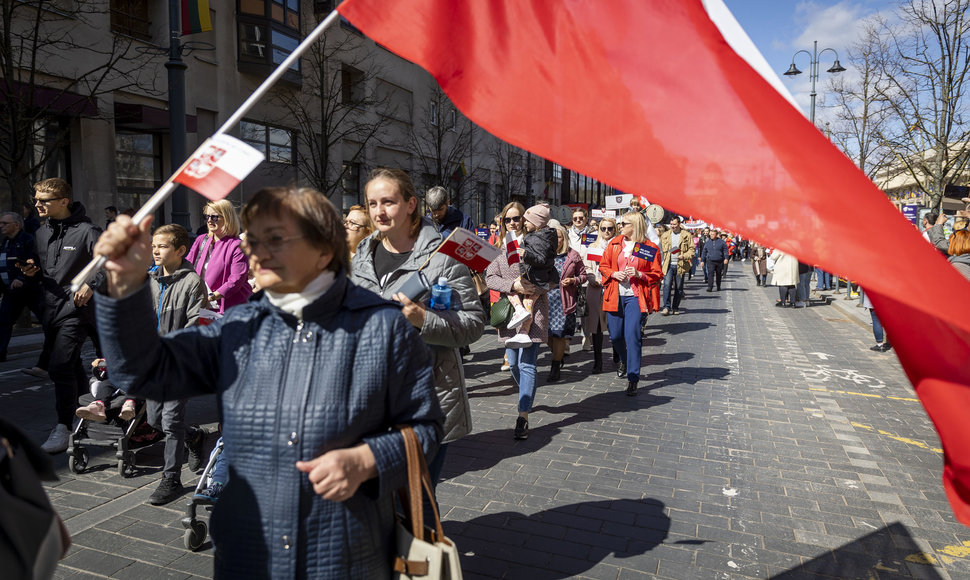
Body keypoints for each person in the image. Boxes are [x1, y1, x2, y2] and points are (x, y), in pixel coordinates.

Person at [92, 185, 443, 577]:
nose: (257, 253)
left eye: (275, 240)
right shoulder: (238, 327)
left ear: (325, 250)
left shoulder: (384, 327)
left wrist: (368, 460)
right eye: (253, 241)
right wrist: (125, 289)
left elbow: (425, 430)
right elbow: (144, 372)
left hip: (342, 551)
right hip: (248, 549)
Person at [351, 168, 483, 488]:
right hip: (369, 400)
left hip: (424, 401)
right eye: (372, 203)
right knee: (377, 505)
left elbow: (473, 324)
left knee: (417, 502)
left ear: (411, 204)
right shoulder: (361, 257)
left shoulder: (442, 258)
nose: (379, 211)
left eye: (388, 202)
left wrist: (424, 319)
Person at [19, 178, 104, 453]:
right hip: (50, 308)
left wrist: (91, 285)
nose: (37, 204)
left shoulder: (88, 231)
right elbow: (42, 272)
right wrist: (31, 272)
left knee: (59, 366)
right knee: (73, 366)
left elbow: (108, 263)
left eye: (43, 200)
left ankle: (63, 427)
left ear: (63, 201)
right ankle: (83, 417)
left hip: (77, 310)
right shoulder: (41, 233)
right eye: (36, 199)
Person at [145, 224, 209, 504]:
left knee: (170, 420)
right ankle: (194, 437)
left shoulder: (192, 282)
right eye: (154, 245)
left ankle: (171, 478)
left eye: (162, 246)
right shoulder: (148, 279)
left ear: (181, 250)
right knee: (154, 419)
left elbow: (197, 322)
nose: (155, 250)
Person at [486, 211, 549, 440]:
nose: (513, 222)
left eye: (517, 217)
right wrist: (513, 285)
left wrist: (533, 289)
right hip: (511, 314)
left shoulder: (538, 245)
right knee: (513, 364)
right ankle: (527, 392)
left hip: (535, 313)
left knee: (527, 364)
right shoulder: (499, 249)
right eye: (508, 219)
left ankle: (523, 416)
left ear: (525, 220)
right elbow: (490, 277)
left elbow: (552, 278)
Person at [599, 212, 663, 396]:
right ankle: (625, 360)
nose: (620, 226)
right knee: (616, 336)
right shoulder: (615, 243)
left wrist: (639, 274)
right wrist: (613, 273)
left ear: (634, 226)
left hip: (636, 297)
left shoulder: (649, 247)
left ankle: (633, 377)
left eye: (624, 223)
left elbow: (657, 274)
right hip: (614, 295)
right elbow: (603, 266)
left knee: (633, 336)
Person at [185, 199, 252, 314]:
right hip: (201, 306)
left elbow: (236, 279)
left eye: (215, 217)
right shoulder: (201, 240)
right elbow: (187, 266)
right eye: (207, 217)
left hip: (230, 309)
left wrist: (211, 297)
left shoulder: (236, 245)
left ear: (227, 218)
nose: (209, 220)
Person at [505, 204, 558, 348]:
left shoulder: (537, 238)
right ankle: (522, 324)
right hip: (539, 277)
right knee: (523, 297)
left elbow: (540, 259)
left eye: (527, 220)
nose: (524, 223)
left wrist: (525, 254)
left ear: (537, 223)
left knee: (523, 297)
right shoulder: (545, 235)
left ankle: (522, 325)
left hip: (536, 278)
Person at [546, 223, 586, 382]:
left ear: (564, 238)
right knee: (547, 336)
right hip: (546, 299)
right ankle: (558, 354)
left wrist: (573, 280)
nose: (556, 241)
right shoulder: (545, 254)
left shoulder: (573, 255)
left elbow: (583, 275)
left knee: (559, 335)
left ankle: (555, 366)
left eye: (559, 237)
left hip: (565, 300)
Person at [0, 212, 41, 362]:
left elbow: (33, 261)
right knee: (4, 321)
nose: (1, 226)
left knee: (47, 320)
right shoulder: (5, 242)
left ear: (16, 225)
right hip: (11, 291)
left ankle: (57, 350)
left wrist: (21, 278)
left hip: (29, 289)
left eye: (5, 223)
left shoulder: (27, 240)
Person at [582, 217, 616, 373]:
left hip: (614, 289)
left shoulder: (619, 246)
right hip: (595, 290)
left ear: (614, 229)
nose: (607, 232)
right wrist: (591, 278)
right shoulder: (592, 246)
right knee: (596, 327)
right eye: (603, 229)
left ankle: (618, 354)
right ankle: (598, 361)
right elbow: (587, 268)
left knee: (615, 326)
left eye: (610, 228)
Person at [659, 216, 694, 316]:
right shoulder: (665, 235)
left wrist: (685, 256)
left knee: (679, 288)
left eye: (674, 224)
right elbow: (661, 249)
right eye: (671, 224)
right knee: (666, 286)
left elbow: (692, 249)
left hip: (680, 265)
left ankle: (675, 307)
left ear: (679, 224)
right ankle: (666, 307)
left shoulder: (686, 235)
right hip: (668, 264)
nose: (672, 226)